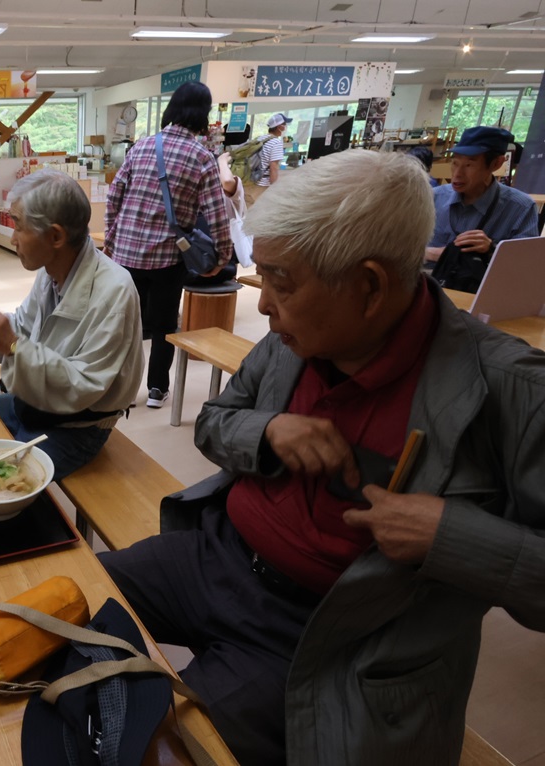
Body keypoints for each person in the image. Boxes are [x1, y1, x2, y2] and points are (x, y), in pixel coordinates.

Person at [99, 150, 545, 765]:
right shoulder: (294, 341)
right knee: (65, 610)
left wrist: (449, 535)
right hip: (217, 558)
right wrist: (269, 432)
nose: (262, 305)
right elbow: (215, 422)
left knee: (160, 748)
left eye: (281, 281)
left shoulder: (511, 391)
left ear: (370, 287)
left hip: (326, 633)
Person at [0, 170, 143, 480]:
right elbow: (23, 328)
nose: (12, 238)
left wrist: (14, 346)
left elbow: (82, 387)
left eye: (18, 225)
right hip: (33, 405)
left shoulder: (114, 290)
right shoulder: (51, 271)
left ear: (56, 236)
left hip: (78, 427)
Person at [104, 81, 232, 410]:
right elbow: (217, 214)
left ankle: (122, 392)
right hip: (168, 258)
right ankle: (157, 390)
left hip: (127, 256)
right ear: (203, 114)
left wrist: (111, 239)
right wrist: (222, 257)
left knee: (126, 324)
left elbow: (114, 195)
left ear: (172, 108)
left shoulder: (142, 146)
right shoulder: (202, 157)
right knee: (163, 326)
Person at [425, 126, 539, 271]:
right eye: (455, 163)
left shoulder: (521, 208)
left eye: (469, 165)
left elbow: (527, 264)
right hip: (426, 280)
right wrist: (431, 253)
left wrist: (492, 249)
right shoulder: (432, 197)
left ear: (496, 163)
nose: (457, 174)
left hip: (481, 284)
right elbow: (402, 248)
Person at [247, 112, 292, 205]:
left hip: (251, 180)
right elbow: (273, 167)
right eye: (284, 124)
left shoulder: (260, 139)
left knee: (249, 207)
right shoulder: (276, 142)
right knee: (260, 209)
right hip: (263, 184)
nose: (285, 127)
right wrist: (274, 187)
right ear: (279, 127)